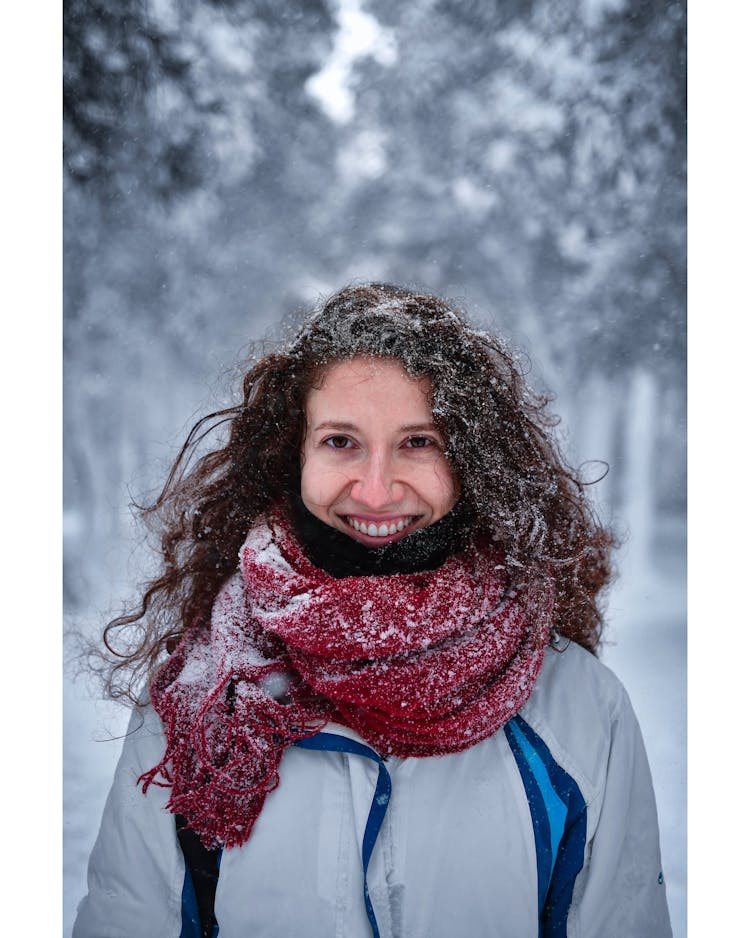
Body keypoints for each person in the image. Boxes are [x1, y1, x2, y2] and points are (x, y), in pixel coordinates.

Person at [73, 283, 672, 938]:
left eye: (418, 441)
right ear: (291, 456)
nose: (378, 488)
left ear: (470, 460)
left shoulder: (582, 708)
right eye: (340, 442)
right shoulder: (199, 698)